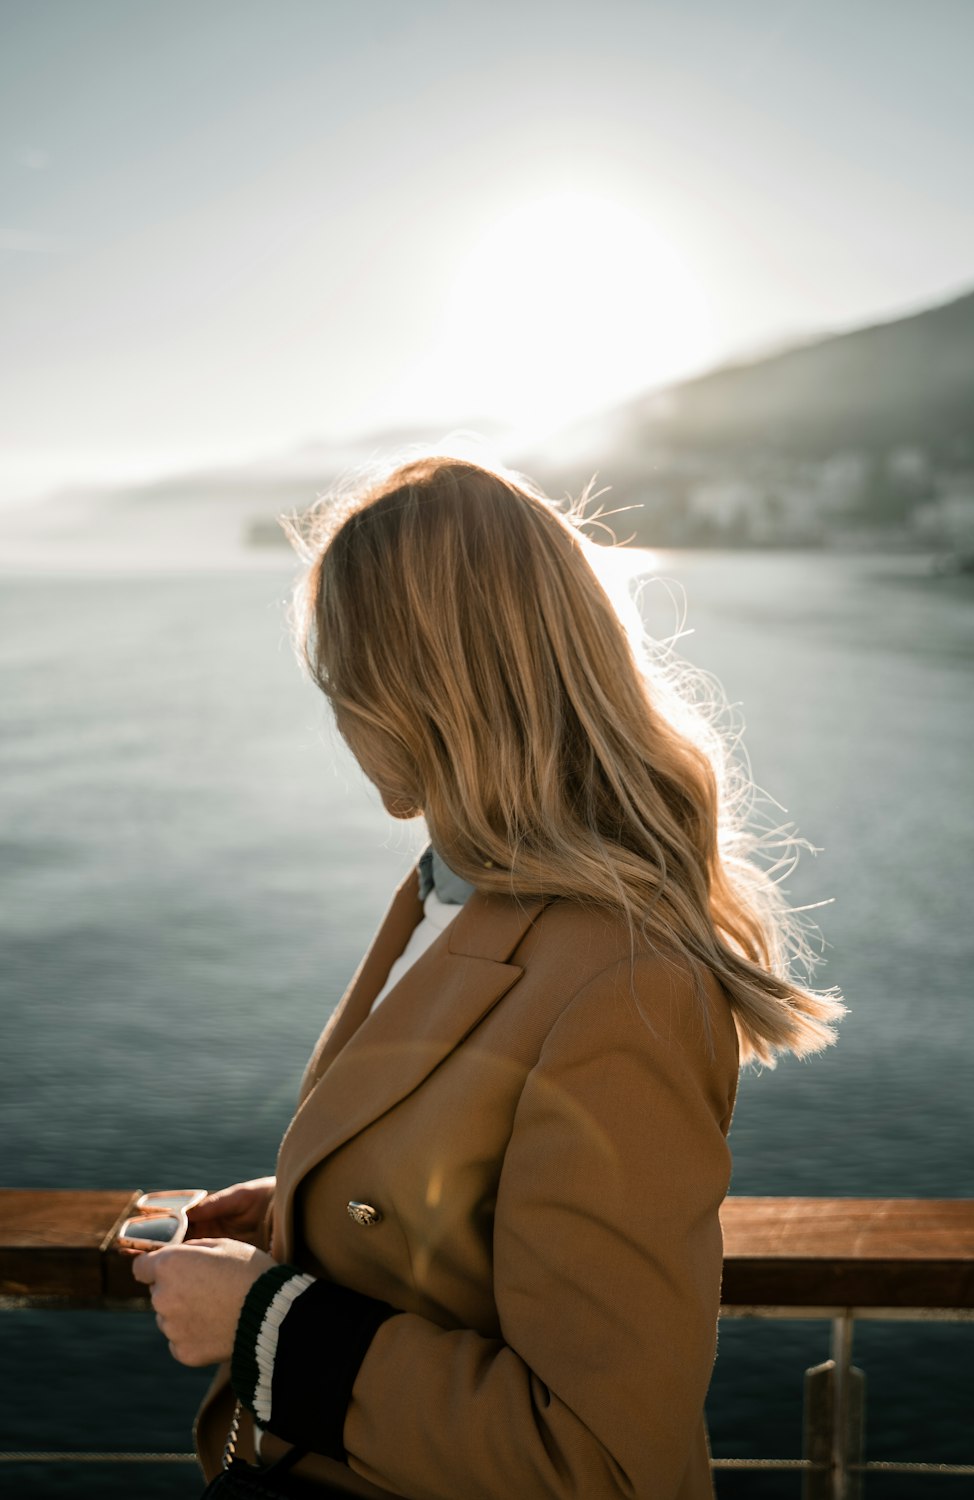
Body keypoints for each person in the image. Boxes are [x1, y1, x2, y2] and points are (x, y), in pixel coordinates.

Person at [132, 456, 843, 1499]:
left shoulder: (625, 985)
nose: (332, 710)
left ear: (419, 690)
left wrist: (264, 1322)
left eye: (342, 673)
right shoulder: (448, 892)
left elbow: (603, 1463)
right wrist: (315, 1212)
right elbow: (487, 1180)